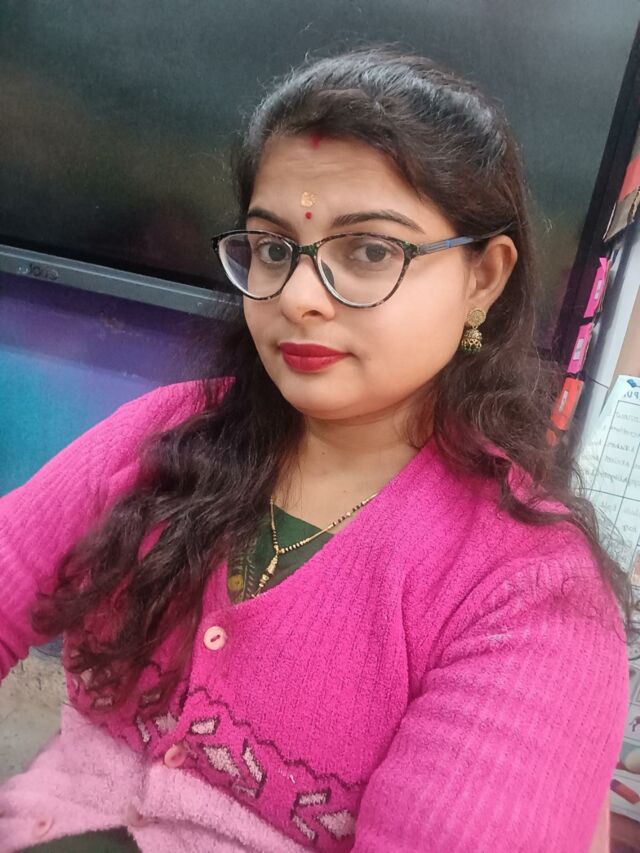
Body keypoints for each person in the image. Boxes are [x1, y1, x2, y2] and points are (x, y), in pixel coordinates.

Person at [0, 46, 632, 853]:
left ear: (484, 277)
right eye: (273, 249)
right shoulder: (169, 431)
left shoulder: (529, 595)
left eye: (368, 251)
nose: (298, 297)